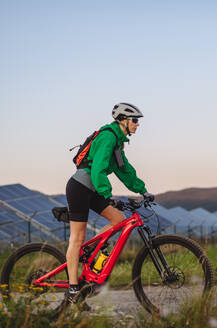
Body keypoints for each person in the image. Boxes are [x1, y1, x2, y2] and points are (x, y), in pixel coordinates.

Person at [62, 102, 154, 309]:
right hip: (79, 188)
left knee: (118, 220)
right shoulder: (108, 137)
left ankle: (90, 249)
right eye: (135, 120)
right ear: (123, 120)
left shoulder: (118, 141)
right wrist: (107, 195)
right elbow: (98, 170)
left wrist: (142, 190)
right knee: (77, 238)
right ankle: (73, 289)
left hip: (92, 189)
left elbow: (124, 170)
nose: (138, 125)